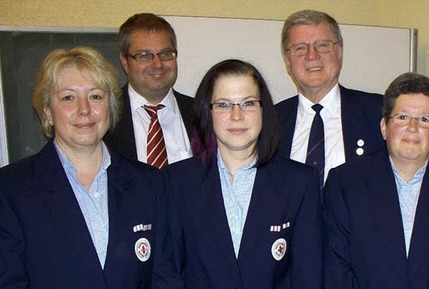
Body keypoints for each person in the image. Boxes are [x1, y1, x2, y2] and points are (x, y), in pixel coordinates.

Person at [0, 46, 166, 288]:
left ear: (110, 107)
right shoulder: (10, 189)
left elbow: (164, 276)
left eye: (96, 96)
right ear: (47, 111)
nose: (84, 109)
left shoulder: (150, 183)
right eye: (68, 97)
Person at [323, 73, 429, 288]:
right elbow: (336, 273)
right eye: (402, 117)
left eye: (424, 119)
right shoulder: (345, 184)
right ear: (384, 127)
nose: (413, 128)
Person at [161, 59, 322, 288]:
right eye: (224, 105)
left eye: (248, 103)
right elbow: (169, 273)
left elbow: (308, 277)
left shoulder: (299, 183)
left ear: (263, 110)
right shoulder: (177, 182)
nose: (237, 115)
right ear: (208, 112)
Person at [276, 9, 385, 183]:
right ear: (287, 61)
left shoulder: (379, 112)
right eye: (300, 48)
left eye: (322, 45)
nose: (312, 55)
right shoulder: (269, 122)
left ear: (340, 52)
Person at [104, 13, 193, 168]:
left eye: (165, 54)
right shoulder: (102, 116)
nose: (157, 64)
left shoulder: (203, 114)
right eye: (144, 55)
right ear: (125, 61)